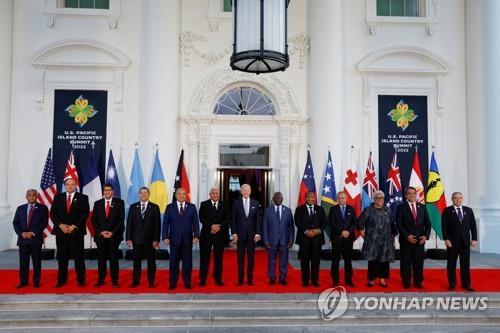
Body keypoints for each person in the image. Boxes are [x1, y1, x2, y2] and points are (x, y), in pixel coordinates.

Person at [51, 178, 89, 287]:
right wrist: (60, 225)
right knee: (62, 258)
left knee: (79, 258)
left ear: (76, 185)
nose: (70, 186)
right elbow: (53, 213)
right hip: (61, 232)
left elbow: (84, 213)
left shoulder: (83, 198)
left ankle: (81, 281)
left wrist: (74, 226)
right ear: (65, 186)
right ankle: (61, 280)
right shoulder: (58, 197)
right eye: (68, 184)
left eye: (72, 184)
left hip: (76, 233)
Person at [358, 190, 397, 288]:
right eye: (377, 197)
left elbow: (392, 224)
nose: (380, 199)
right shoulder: (368, 210)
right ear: (374, 199)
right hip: (372, 242)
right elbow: (360, 224)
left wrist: (392, 239)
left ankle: (382, 280)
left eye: (381, 198)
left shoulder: (387, 210)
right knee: (373, 261)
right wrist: (365, 236)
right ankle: (371, 280)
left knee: (384, 261)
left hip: (385, 241)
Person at [163, 187, 200, 290]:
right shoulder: (169, 207)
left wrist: (196, 235)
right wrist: (165, 236)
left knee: (187, 262)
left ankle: (187, 282)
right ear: (176, 195)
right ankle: (173, 282)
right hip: (174, 239)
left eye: (183, 194)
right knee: (173, 261)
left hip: (188, 239)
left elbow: (196, 223)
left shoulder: (192, 207)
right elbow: (166, 223)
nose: (182, 195)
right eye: (179, 194)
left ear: (186, 195)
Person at [396, 186, 431, 289]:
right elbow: (399, 224)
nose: (412, 195)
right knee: (406, 262)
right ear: (406, 195)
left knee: (418, 262)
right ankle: (406, 282)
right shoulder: (401, 207)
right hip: (406, 240)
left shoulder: (422, 207)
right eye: (409, 193)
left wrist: (426, 236)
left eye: (413, 193)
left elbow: (428, 224)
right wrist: (407, 236)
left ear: (416, 195)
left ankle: (418, 281)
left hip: (420, 240)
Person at [12, 189, 48, 288]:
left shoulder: (42, 208)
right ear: (26, 197)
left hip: (35, 239)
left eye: (33, 195)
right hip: (23, 239)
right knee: (23, 262)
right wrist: (21, 233)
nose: (31, 197)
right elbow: (15, 223)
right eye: (29, 195)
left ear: (36, 197)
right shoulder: (20, 208)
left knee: (36, 262)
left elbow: (44, 223)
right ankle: (23, 281)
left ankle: (36, 281)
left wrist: (33, 233)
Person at [442, 192, 477, 291]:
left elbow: (473, 226)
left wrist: (474, 238)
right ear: (452, 199)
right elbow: (444, 227)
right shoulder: (447, 211)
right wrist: (446, 239)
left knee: (465, 264)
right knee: (451, 264)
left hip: (465, 242)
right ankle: (452, 284)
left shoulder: (468, 210)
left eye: (460, 198)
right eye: (456, 198)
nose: (458, 200)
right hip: (452, 243)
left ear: (462, 199)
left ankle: (466, 284)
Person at [126, 187, 161, 288]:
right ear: (139, 194)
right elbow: (129, 224)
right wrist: (128, 238)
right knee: (136, 263)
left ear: (149, 194)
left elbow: (157, 225)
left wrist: (156, 239)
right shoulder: (133, 207)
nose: (143, 195)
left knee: (151, 263)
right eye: (141, 193)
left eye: (145, 193)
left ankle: (151, 281)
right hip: (136, 240)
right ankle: (135, 281)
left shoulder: (154, 207)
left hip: (150, 241)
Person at [91, 183, 125, 288]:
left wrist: (112, 232)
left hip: (114, 236)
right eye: (105, 190)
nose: (107, 192)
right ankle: (101, 279)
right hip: (101, 236)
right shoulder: (98, 203)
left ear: (113, 191)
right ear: (103, 192)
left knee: (113, 259)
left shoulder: (119, 203)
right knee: (101, 259)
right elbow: (93, 220)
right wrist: (101, 232)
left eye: (109, 190)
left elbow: (121, 220)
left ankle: (115, 280)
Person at [198, 187, 230, 287]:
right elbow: (202, 218)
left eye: (217, 193)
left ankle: (218, 278)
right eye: (213, 193)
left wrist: (218, 226)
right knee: (204, 258)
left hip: (219, 236)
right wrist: (211, 226)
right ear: (210, 194)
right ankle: (203, 279)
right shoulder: (204, 204)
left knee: (218, 259)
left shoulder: (224, 204)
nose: (215, 195)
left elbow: (227, 218)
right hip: (207, 234)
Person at [294, 191, 326, 287]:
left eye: (312, 197)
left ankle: (315, 280)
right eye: (309, 197)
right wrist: (306, 231)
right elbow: (297, 222)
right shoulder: (299, 209)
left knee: (316, 261)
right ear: (305, 198)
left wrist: (318, 230)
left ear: (315, 198)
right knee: (304, 261)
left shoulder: (320, 209)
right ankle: (305, 281)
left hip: (317, 239)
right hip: (304, 239)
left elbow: (324, 222)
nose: (311, 199)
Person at [262, 192, 294, 285]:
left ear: (282, 198)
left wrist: (291, 240)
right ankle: (272, 278)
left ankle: (282, 278)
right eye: (276, 197)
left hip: (284, 240)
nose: (278, 199)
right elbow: (264, 226)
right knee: (271, 260)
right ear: (273, 199)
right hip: (271, 241)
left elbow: (291, 227)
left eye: (279, 197)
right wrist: (266, 240)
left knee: (284, 260)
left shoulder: (288, 211)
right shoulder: (268, 211)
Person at [231, 184, 261, 286]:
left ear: (250, 191)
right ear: (241, 191)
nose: (246, 192)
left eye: (248, 190)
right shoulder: (236, 203)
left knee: (251, 259)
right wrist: (234, 233)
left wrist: (257, 234)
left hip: (252, 236)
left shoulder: (256, 203)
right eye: (244, 190)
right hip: (239, 236)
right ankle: (240, 280)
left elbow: (258, 220)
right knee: (240, 259)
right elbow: (233, 220)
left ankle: (250, 279)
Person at [328, 191, 356, 287]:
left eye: (343, 198)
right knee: (335, 260)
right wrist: (342, 232)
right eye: (339, 198)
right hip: (337, 238)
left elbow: (354, 223)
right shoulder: (333, 209)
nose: (341, 200)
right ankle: (335, 280)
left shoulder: (351, 209)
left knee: (348, 260)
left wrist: (348, 232)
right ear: (337, 199)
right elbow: (332, 223)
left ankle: (348, 280)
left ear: (346, 199)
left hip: (348, 238)